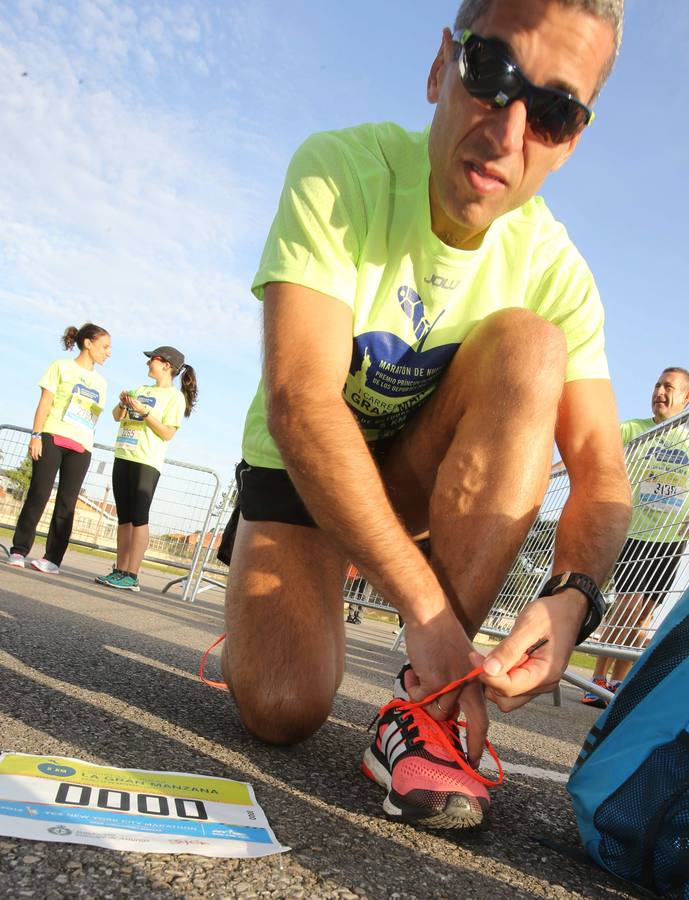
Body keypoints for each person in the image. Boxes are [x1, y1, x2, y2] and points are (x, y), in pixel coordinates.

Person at [221, 0, 631, 831]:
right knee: (283, 706)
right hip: (301, 472)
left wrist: (574, 597)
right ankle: (280, 600)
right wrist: (427, 610)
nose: (510, 129)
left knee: (531, 347)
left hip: (409, 482)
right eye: (492, 75)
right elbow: (301, 401)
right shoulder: (342, 169)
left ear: (572, 140)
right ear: (442, 66)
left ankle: (426, 704)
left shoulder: (557, 268)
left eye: (552, 111)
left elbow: (601, 470)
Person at [581, 367, 689, 708]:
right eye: (657, 384)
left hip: (669, 540)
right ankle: (598, 675)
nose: (659, 391)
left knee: (642, 618)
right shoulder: (634, 429)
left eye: (668, 387)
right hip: (634, 532)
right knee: (628, 606)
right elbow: (595, 447)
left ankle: (617, 683)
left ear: (686, 398)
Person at [7, 323, 111, 573]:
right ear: (88, 343)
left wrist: (87, 444)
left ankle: (52, 559)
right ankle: (19, 550)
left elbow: (92, 417)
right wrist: (36, 435)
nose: (108, 352)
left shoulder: (101, 382)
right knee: (39, 494)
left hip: (82, 447)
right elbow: (45, 403)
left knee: (67, 504)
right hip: (52, 437)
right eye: (105, 347)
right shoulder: (60, 367)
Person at [95, 346, 198, 592]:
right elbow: (116, 416)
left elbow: (167, 433)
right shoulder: (139, 390)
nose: (148, 363)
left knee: (139, 518)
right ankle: (119, 570)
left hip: (146, 460)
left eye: (152, 359)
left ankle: (132, 574)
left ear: (166, 365)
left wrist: (145, 412)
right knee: (124, 518)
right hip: (124, 454)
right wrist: (123, 404)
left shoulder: (174, 397)